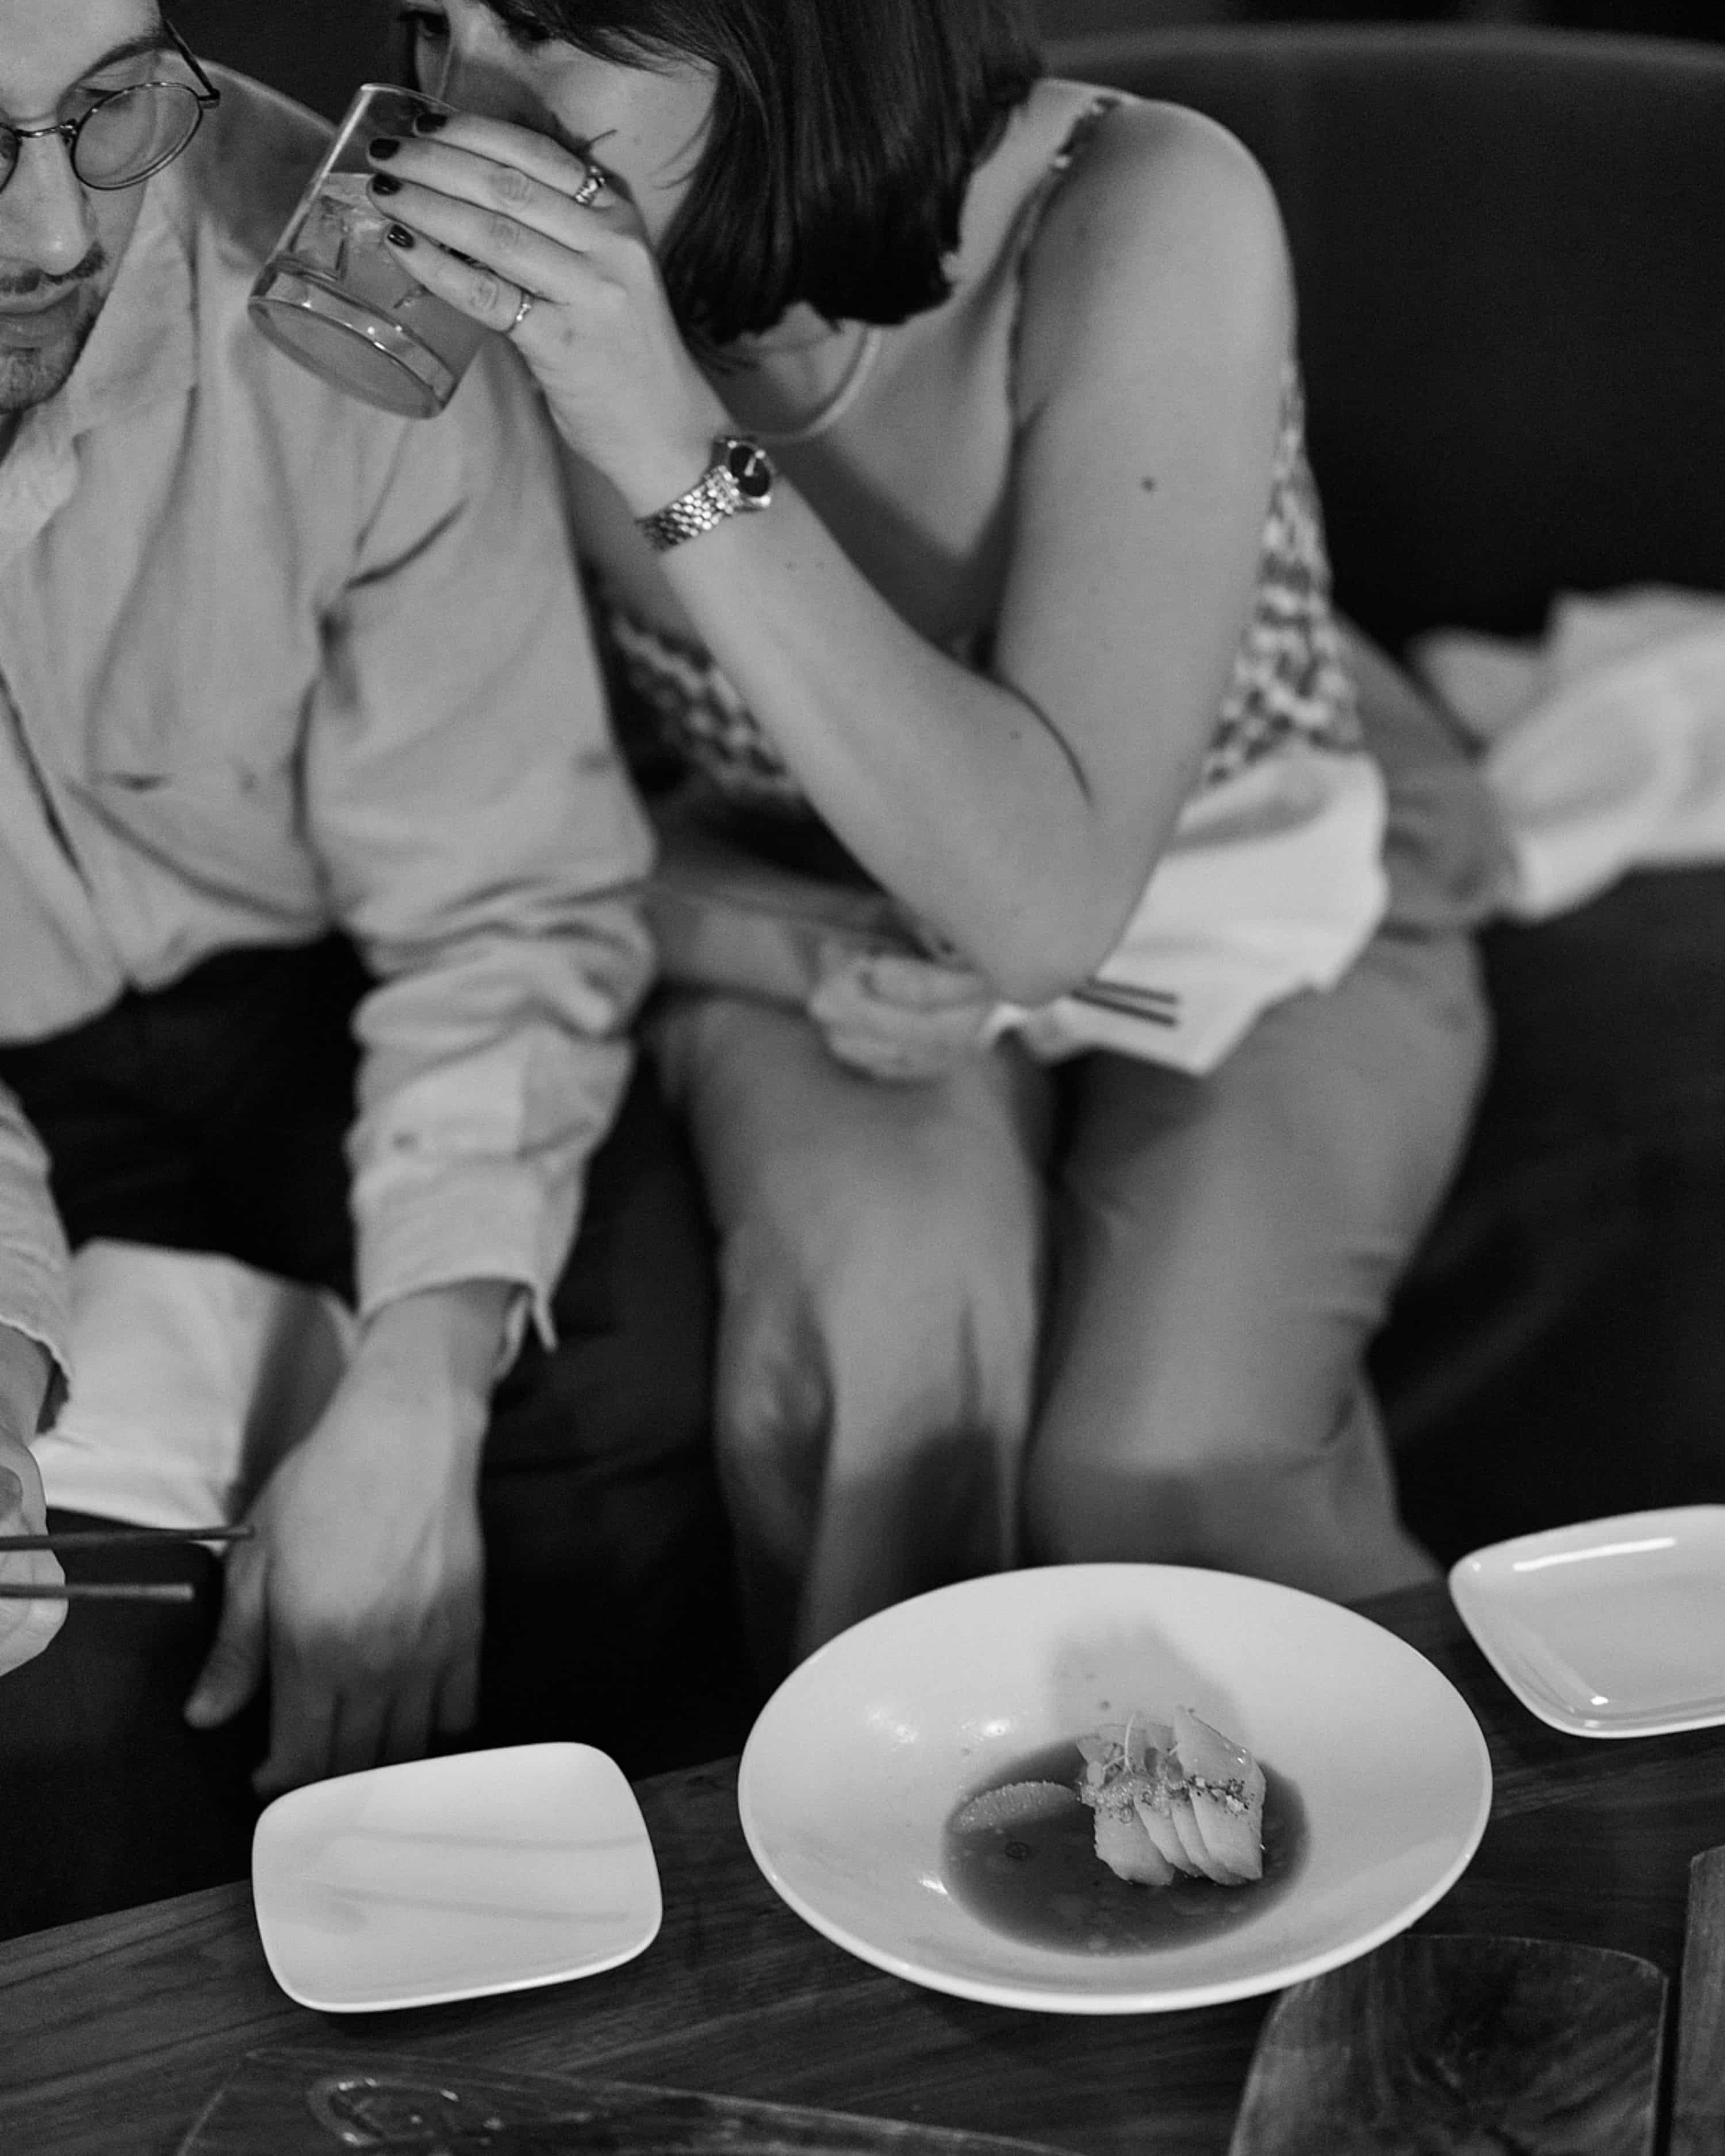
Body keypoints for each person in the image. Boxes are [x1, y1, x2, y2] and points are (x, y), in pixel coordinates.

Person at [366, 0, 1508, 1675]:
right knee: (889, 1343)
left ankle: (1417, 1905)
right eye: (435, 22)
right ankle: (896, 1895)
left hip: (1253, 879)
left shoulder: (1142, 209)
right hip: (803, 902)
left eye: (549, 28)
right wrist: (772, 934)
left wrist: (660, 431)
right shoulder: (445, 268)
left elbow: (1042, 909)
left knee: (1156, 1464)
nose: (473, 102)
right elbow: (467, 841)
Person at [0, 0, 740, 1938]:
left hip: (321, 980)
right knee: (56, 1675)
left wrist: (421, 1375)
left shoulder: (355, 262)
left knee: (603, 1424)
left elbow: (497, 886)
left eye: (104, 110)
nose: (55, 241)